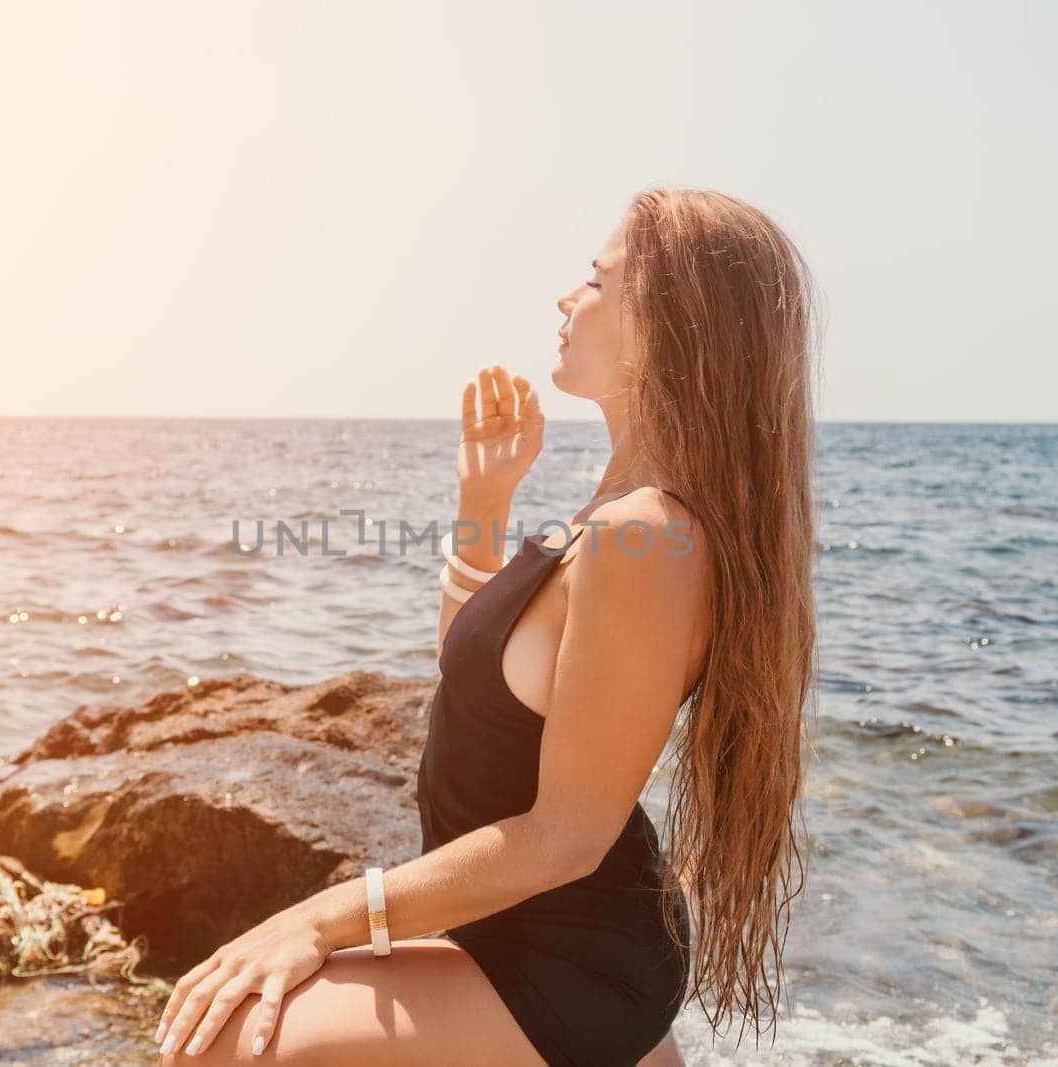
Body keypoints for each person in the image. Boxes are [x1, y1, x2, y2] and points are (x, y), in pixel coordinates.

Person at [155, 185, 820, 1065]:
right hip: (508, 928)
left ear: (669, 322)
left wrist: (319, 916)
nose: (565, 299)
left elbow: (571, 834)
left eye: (596, 280)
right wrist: (484, 499)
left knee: (224, 1042)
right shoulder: (613, 512)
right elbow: (469, 673)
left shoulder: (646, 534)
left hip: (568, 957)